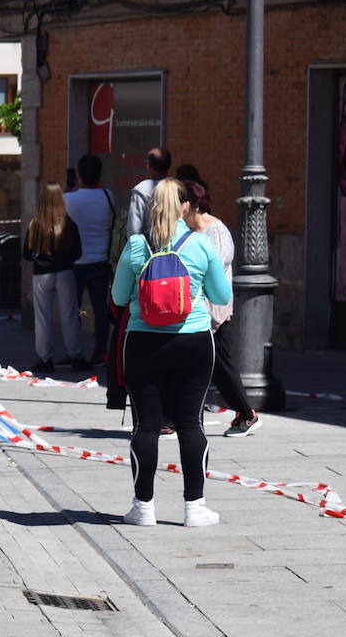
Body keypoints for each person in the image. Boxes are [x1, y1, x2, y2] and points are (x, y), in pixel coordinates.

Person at [111, 178, 230, 528]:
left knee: (146, 426)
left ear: (152, 208)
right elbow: (221, 297)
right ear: (184, 206)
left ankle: (142, 508)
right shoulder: (200, 245)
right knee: (191, 424)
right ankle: (195, 508)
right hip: (193, 341)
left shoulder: (136, 245)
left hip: (143, 343)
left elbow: (118, 298)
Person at [180, 179, 260, 438]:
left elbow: (210, 271)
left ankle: (247, 414)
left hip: (214, 311)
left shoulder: (216, 232)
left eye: (179, 204)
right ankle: (178, 417)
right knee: (202, 365)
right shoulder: (191, 230)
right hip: (197, 310)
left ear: (190, 205)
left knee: (220, 365)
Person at [25, 183, 86, 374]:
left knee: (42, 317)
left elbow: (26, 254)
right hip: (65, 272)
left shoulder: (35, 224)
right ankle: (75, 356)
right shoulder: (69, 224)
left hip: (41, 275)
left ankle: (45, 359)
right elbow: (78, 252)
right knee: (69, 316)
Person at [63, 155, 116, 364]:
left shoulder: (69, 199)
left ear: (78, 175)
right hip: (100, 261)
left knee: (74, 310)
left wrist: (68, 187)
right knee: (100, 309)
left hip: (75, 264)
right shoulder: (108, 196)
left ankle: (75, 351)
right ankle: (101, 350)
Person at [126, 147, 171, 237]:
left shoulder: (142, 190)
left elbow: (134, 229)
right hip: (176, 247)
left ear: (152, 168)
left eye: (147, 163)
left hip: (150, 248)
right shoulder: (177, 187)